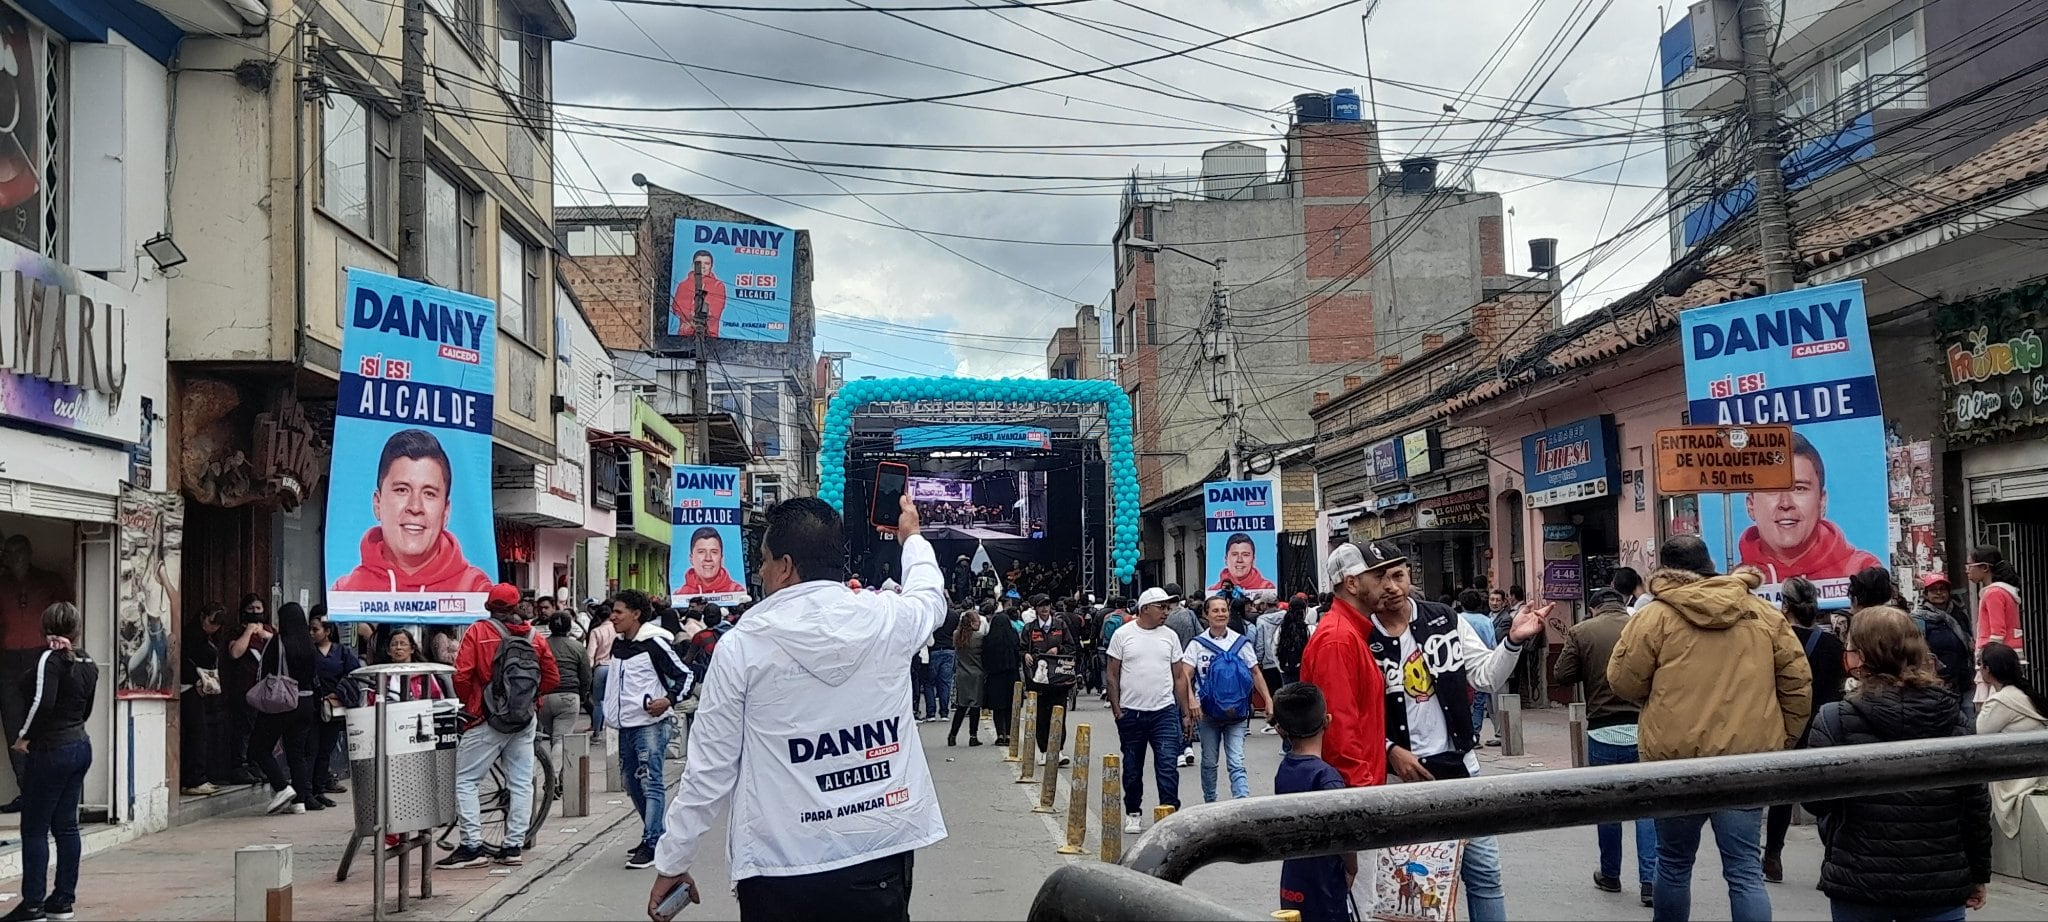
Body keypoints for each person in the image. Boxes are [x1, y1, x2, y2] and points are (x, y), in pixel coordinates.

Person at [647, 496, 946, 920]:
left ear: (785, 567)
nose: (760, 572)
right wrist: (911, 538)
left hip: (780, 869)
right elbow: (930, 595)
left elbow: (709, 772)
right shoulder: (888, 619)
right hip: (877, 852)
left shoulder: (742, 648)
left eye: (765, 561)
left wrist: (673, 863)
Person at [1608, 536, 1811, 922]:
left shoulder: (1653, 618)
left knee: (1671, 863)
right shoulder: (1763, 614)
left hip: (1674, 762)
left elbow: (1623, 682)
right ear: (1710, 563)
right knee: (1745, 872)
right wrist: (1780, 740)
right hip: (1746, 762)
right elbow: (1797, 684)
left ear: (1663, 571)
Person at [1359, 542, 1543, 922]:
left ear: (1410, 576)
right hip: (1401, 780)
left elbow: (1487, 675)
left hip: (1462, 772)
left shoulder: (1444, 619)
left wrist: (1513, 642)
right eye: (1381, 577)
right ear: (1364, 584)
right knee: (1416, 887)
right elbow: (1351, 716)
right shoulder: (1362, 638)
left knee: (1485, 876)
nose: (1391, 585)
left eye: (1398, 575)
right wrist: (1389, 748)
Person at [1804, 606, 1990, 921]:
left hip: (1858, 882)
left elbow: (1817, 803)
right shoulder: (1953, 717)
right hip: (1938, 884)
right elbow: (1974, 804)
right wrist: (1978, 873)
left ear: (1859, 658)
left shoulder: (1834, 719)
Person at [439, 583, 561, 870]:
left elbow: (462, 675)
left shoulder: (479, 632)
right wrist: (527, 700)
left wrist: (474, 704)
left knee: (465, 781)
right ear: (518, 605)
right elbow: (552, 677)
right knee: (520, 781)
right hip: (525, 719)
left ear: (489, 606)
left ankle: (471, 846)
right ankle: (513, 846)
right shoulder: (534, 636)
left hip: (485, 717)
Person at [1552, 587, 1653, 906]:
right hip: (1644, 730)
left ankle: (1610, 874)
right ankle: (1650, 880)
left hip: (1602, 730)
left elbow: (1562, 674)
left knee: (1608, 807)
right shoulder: (1646, 625)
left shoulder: (1582, 631)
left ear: (1594, 608)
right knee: (1648, 809)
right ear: (1623, 605)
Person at [2, 603, 96, 922]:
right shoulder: (88, 660)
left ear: (44, 628)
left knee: (34, 827)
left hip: (52, 750)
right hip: (80, 744)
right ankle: (63, 901)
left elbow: (43, 701)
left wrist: (24, 737)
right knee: (67, 825)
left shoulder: (49, 659)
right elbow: (86, 708)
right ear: (76, 628)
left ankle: (32, 904)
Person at [330, 430, 493, 593]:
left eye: (429, 493)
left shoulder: (477, 591)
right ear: (377, 504)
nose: (415, 507)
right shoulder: (347, 591)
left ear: (446, 512)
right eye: (402, 490)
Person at [1762, 576, 1846, 884]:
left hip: (1787, 727)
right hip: (1825, 728)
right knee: (1826, 798)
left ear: (1785, 607)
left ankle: (1773, 856)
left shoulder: (1775, 642)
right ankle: (1831, 859)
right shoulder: (1834, 645)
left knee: (1783, 796)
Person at [603, 589, 694, 870]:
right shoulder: (618, 645)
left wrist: (667, 700)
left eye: (619, 612)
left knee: (651, 781)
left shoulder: (655, 643)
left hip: (651, 726)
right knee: (631, 782)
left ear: (636, 614)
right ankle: (656, 835)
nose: (613, 617)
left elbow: (686, 674)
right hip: (625, 725)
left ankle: (653, 842)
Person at [1299, 544, 1392, 791]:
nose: (1388, 586)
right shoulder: (1338, 639)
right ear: (1352, 584)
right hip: (1355, 793)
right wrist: (1364, 795)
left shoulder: (1350, 632)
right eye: (1378, 577)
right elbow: (1339, 734)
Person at [1736, 433, 1882, 584]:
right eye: (1772, 489)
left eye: (1799, 488)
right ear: (1750, 505)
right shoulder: (1734, 587)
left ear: (1822, 501)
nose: (1785, 503)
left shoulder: (1863, 572)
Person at [1105, 586, 1188, 834]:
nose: (1165, 612)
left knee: (1167, 765)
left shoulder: (1169, 636)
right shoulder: (1123, 634)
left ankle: (1169, 812)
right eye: (1161, 607)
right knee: (1132, 767)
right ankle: (1133, 810)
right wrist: (1117, 708)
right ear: (1144, 609)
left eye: (1168, 607)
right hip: (1132, 712)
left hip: (1164, 711)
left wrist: (1184, 711)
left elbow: (1179, 676)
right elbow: (1112, 673)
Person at [1271, 682, 1354, 922]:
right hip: (1325, 882)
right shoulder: (1327, 777)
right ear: (1327, 721)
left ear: (1280, 730)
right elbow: (1345, 831)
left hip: (1292, 879)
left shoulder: (1284, 769)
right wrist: (1351, 867)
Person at [1178, 595, 1270, 803]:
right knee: (1209, 762)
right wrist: (1192, 701)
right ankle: (1210, 802)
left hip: (1237, 713)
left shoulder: (1240, 642)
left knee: (1237, 761)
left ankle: (1241, 802)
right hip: (1207, 713)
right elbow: (1185, 675)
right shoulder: (1197, 645)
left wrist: (1268, 700)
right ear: (1206, 615)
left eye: (1224, 610)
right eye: (1215, 611)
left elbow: (1255, 672)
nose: (1220, 614)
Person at [0, 535, 70, 805]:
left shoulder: (48, 581)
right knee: (13, 725)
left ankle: (46, 790)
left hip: (40, 658)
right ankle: (27, 791)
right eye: (9, 552)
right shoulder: (2, 584)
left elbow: (66, 617)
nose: (15, 557)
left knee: (42, 723)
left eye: (19, 551)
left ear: (29, 552)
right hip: (7, 660)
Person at [1975, 643, 2048, 841]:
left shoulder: (2001, 701)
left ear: (1988, 669)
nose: (1978, 670)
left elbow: (1978, 732)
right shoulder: (2023, 694)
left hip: (2019, 775)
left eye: (1980, 664)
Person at [308, 612, 361, 804]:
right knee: (311, 750)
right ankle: (309, 790)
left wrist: (339, 693)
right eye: (310, 630)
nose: (312, 633)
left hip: (333, 708)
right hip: (313, 707)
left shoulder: (342, 652)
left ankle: (319, 788)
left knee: (325, 750)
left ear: (328, 631)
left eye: (316, 629)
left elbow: (354, 674)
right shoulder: (308, 651)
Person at [179, 603, 229, 797]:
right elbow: (181, 660)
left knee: (200, 732)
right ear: (202, 617)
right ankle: (194, 778)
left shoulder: (211, 638)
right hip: (190, 686)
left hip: (202, 686)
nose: (213, 627)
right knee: (196, 732)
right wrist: (196, 679)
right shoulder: (191, 636)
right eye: (211, 622)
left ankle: (198, 775)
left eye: (217, 625)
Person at [541, 610, 591, 784]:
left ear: (549, 626)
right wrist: (583, 696)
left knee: (550, 738)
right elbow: (586, 675)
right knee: (560, 739)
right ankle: (553, 778)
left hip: (543, 696)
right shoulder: (577, 647)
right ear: (570, 628)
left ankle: (553, 773)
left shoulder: (541, 644)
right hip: (569, 696)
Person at [1968, 546, 2024, 704]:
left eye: (1969, 566)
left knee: (1990, 703)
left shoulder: (1994, 593)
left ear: (1984, 567)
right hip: (2007, 655)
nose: (1967, 571)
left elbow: (1997, 633)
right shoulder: (2005, 592)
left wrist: (1986, 659)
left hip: (1995, 660)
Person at [1022, 598, 1078, 758]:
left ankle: (1058, 750)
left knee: (1059, 713)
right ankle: (1044, 750)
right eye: (1041, 605)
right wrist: (1025, 655)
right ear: (1036, 609)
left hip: (1059, 679)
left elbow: (1071, 648)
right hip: (1039, 680)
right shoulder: (1030, 628)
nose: (1045, 608)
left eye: (1047, 605)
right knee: (1041, 716)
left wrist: (1058, 648)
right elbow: (1021, 648)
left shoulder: (1060, 625)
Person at [1910, 574, 1976, 707]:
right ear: (1926, 594)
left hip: (1964, 681)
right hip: (1938, 684)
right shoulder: (1919, 619)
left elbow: (1969, 641)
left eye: (1942, 589)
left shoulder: (1959, 614)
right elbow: (1917, 652)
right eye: (1934, 590)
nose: (1939, 593)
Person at [1455, 588, 1498, 750]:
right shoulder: (1486, 621)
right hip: (1482, 664)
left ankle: (1465, 733)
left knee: (1463, 702)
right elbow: (1492, 644)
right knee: (1479, 703)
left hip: (1462, 667)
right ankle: (1475, 734)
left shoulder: (1458, 620)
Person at [983, 598, 1023, 749]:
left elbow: (984, 658)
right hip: (1011, 674)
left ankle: (1000, 734)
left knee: (998, 707)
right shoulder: (1012, 637)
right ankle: (1009, 734)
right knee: (1010, 706)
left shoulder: (989, 639)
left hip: (995, 675)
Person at [948, 606, 986, 746]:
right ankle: (973, 736)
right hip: (976, 674)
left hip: (962, 674)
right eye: (977, 622)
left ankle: (952, 735)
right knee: (975, 706)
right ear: (971, 623)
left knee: (961, 706)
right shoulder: (979, 638)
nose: (979, 624)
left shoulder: (956, 635)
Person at [669, 249, 727, 337]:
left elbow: (714, 313)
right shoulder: (683, 285)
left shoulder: (718, 286)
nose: (703, 267)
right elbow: (677, 309)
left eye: (706, 264)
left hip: (709, 337)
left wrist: (692, 320)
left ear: (711, 266)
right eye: (699, 263)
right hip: (684, 336)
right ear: (693, 265)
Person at [676, 528, 746, 597]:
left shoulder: (737, 592)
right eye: (701, 552)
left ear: (721, 558)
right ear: (691, 558)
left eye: (714, 552)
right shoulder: (680, 595)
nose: (708, 558)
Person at [1207, 533, 1276, 594]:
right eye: (1234, 554)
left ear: (1253, 560)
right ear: (1226, 559)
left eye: (1245, 555)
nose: (1239, 560)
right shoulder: (1214, 590)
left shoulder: (1267, 588)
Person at [587, 605, 618, 732]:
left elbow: (590, 653)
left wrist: (589, 670)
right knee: (613, 700)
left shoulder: (596, 631)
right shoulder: (618, 630)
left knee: (598, 702)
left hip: (600, 668)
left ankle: (597, 732)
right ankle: (612, 731)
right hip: (615, 667)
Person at [1276, 594, 1313, 688]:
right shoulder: (1310, 630)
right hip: (1306, 672)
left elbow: (1275, 649)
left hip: (1286, 671)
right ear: (1305, 611)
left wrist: (1281, 668)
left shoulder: (1281, 630)